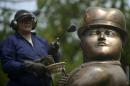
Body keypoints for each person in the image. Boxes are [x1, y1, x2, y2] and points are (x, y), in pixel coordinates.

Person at [58, 7, 129, 86]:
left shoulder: (100, 71)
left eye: (109, 33)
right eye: (95, 33)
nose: (102, 37)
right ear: (81, 42)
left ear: (122, 43)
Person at [0, 10, 60, 86]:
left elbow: (54, 62)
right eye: (23, 20)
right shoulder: (10, 41)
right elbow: (7, 64)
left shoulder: (41, 41)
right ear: (16, 24)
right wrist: (28, 66)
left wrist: (55, 52)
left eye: (29, 20)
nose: (27, 22)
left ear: (33, 23)